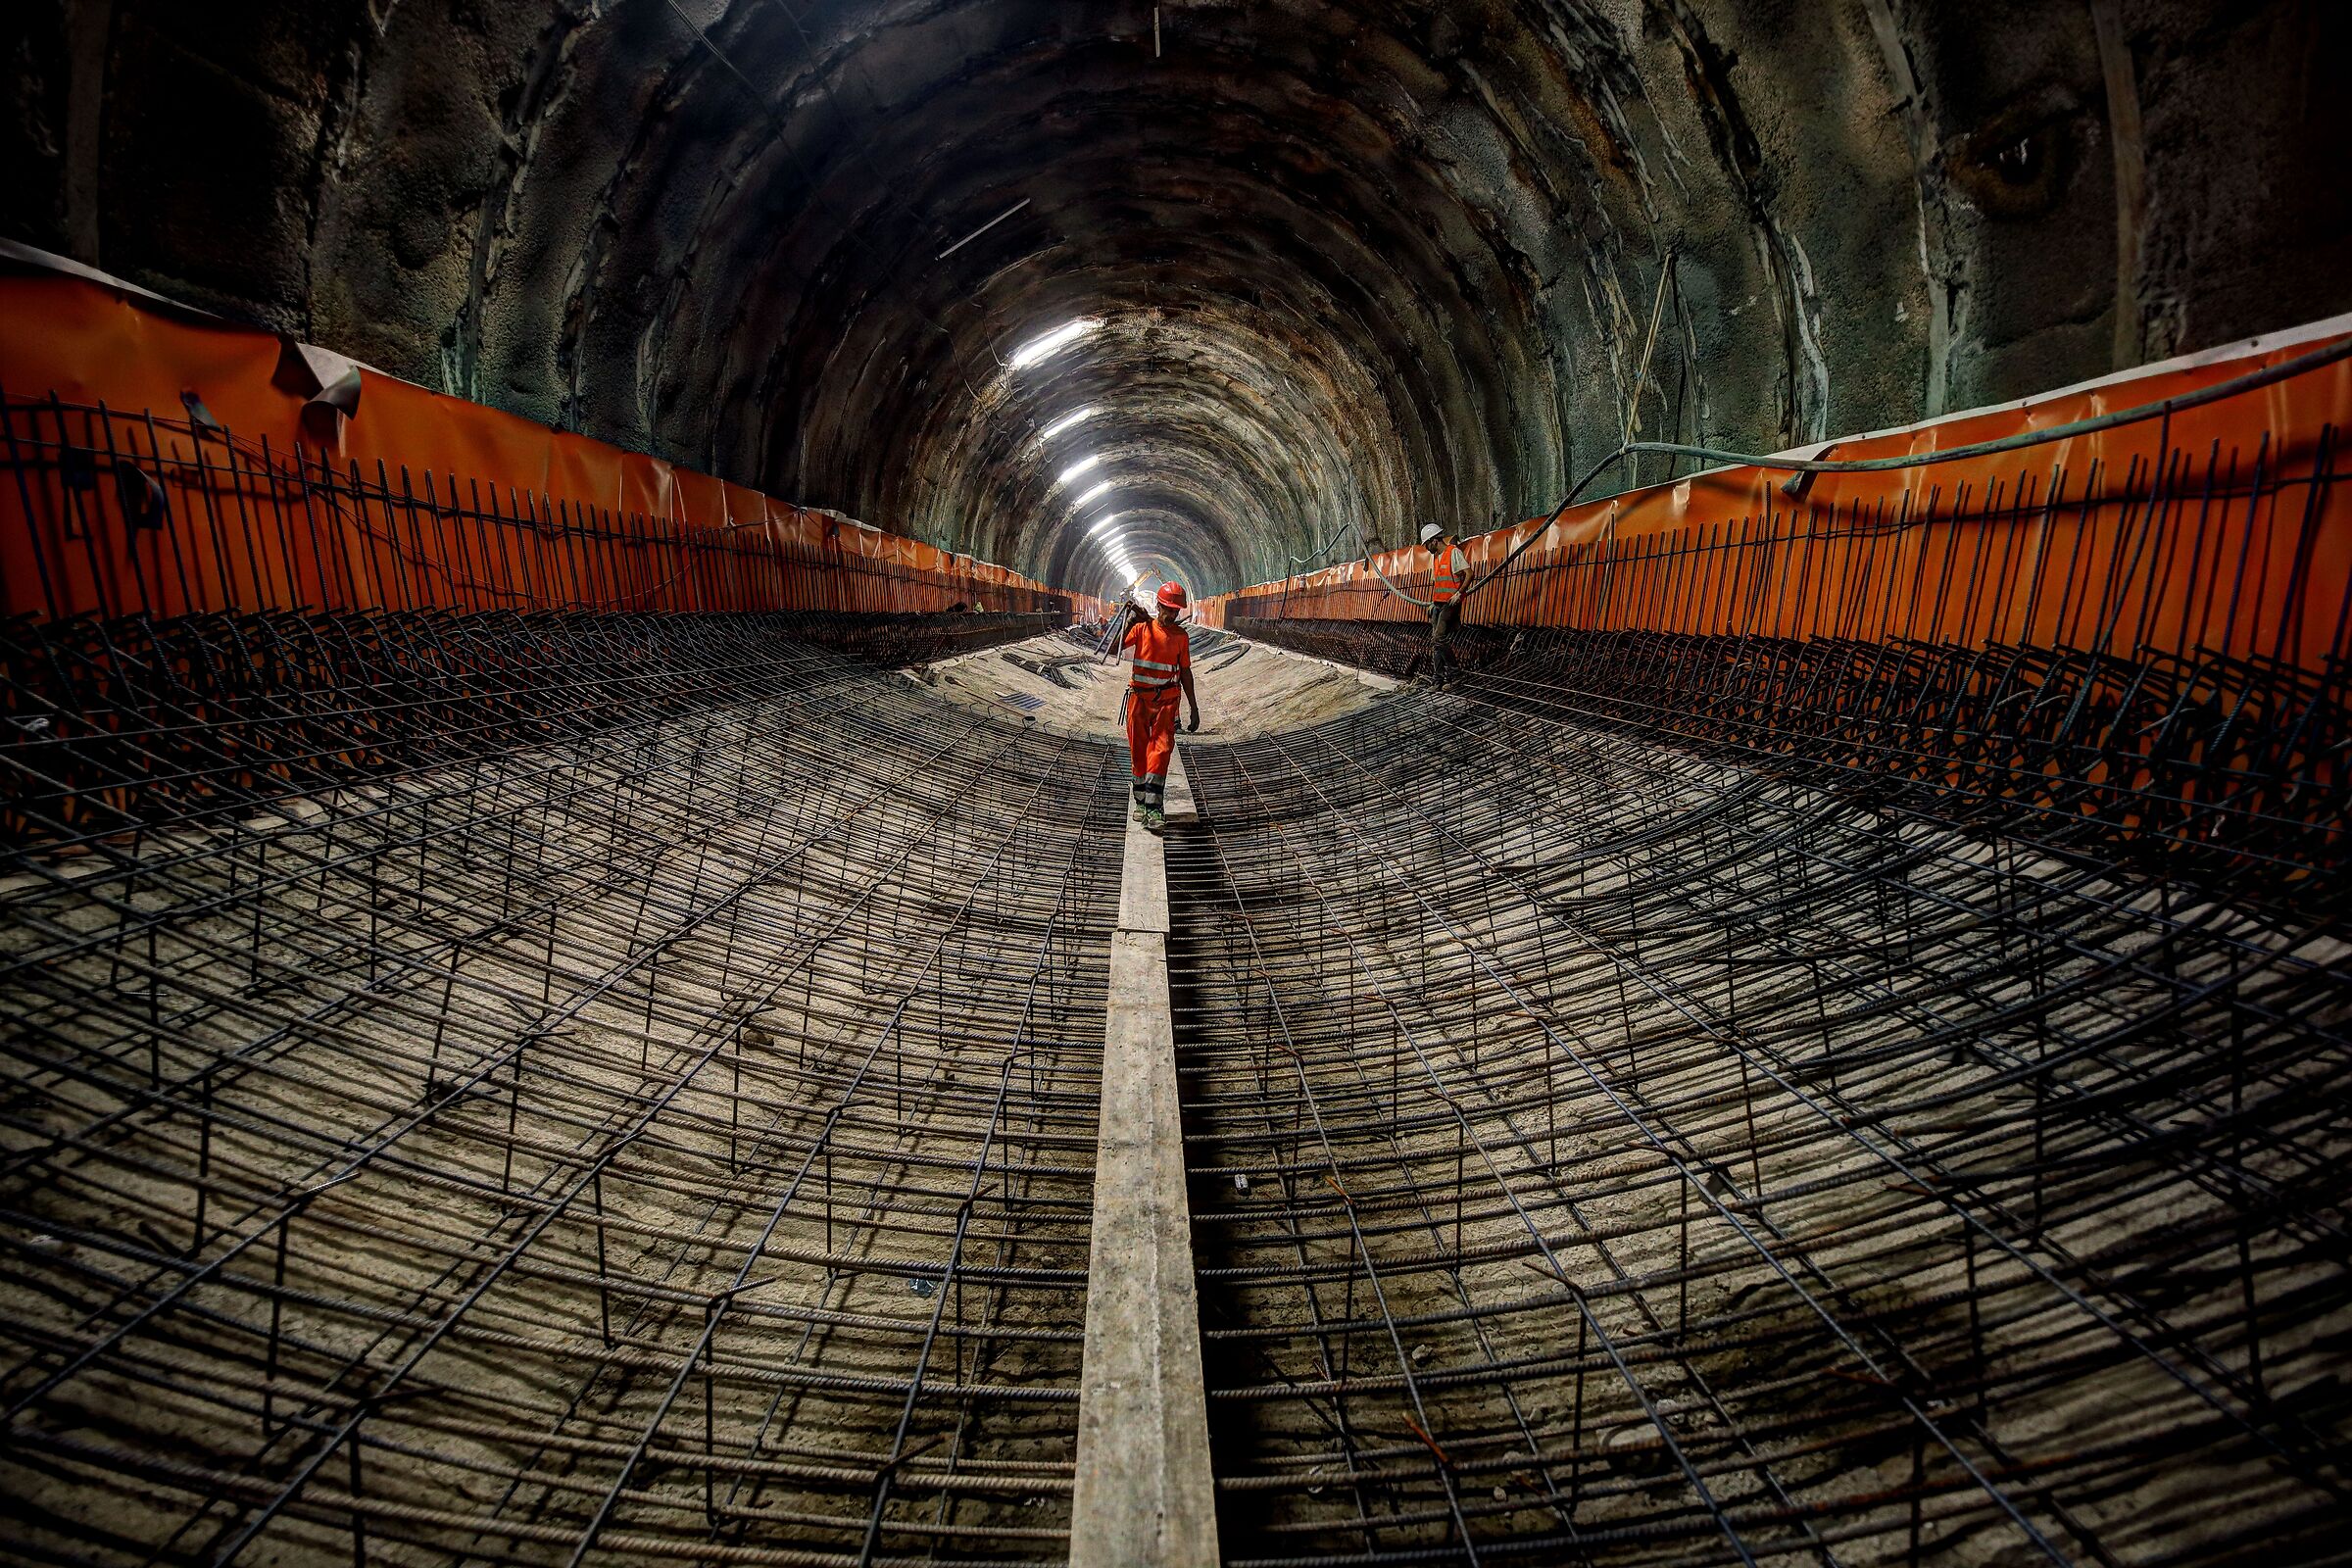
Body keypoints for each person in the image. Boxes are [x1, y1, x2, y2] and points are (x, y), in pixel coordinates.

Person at [1121, 580, 1200, 832]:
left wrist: (1194, 707)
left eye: (1175, 612)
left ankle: (1155, 807)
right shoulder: (1142, 629)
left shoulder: (1180, 637)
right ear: (1158, 606)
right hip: (1139, 700)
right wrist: (1129, 623)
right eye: (1167, 609)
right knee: (1139, 752)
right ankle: (1141, 803)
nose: (1171, 615)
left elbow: (1185, 672)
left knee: (1161, 751)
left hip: (1167, 702)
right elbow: (1112, 648)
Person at [1419, 521, 1467, 683]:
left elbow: (1469, 573)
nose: (1427, 548)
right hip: (1438, 603)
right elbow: (1438, 583)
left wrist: (1459, 593)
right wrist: (1433, 602)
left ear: (1434, 540)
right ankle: (1438, 679)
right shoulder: (1436, 558)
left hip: (1450, 602)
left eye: (1427, 544)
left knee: (1439, 638)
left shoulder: (1453, 552)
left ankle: (1456, 673)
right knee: (1435, 642)